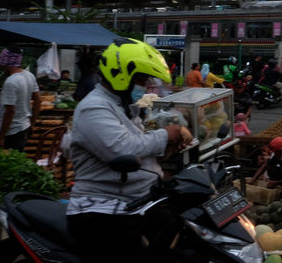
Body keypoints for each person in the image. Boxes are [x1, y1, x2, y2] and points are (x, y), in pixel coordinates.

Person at [66, 38, 192, 263]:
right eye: (142, 79)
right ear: (121, 75)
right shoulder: (94, 108)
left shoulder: (122, 107)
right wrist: (165, 135)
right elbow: (122, 150)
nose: (146, 85)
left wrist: (167, 150)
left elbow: (139, 149)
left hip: (135, 202)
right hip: (103, 209)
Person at [0, 46, 41, 151]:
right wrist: (32, 123)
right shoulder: (29, 76)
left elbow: (10, 111)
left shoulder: (10, 82)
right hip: (25, 126)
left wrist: (1, 136)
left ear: (6, 63)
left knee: (11, 159)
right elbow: (38, 100)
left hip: (13, 130)